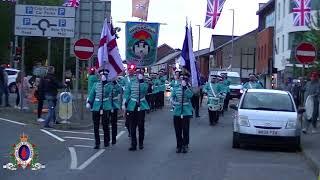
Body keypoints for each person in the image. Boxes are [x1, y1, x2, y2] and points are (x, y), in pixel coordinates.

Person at [123, 68, 150, 151]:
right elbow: (127, 92)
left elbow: (145, 91)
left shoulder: (145, 82)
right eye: (138, 72)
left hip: (141, 105)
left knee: (141, 125)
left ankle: (141, 143)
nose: (139, 74)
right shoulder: (131, 81)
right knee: (132, 125)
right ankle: (133, 144)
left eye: (141, 73)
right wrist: (125, 103)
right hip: (132, 105)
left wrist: (141, 81)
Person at [87, 69, 111, 149]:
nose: (103, 76)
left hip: (105, 106)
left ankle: (106, 141)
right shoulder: (96, 85)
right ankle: (97, 143)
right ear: (99, 76)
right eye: (101, 75)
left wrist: (105, 83)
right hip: (96, 106)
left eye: (104, 75)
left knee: (105, 125)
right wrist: (89, 102)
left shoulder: (109, 85)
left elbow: (108, 92)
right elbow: (92, 94)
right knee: (96, 126)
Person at [170, 72, 193, 153]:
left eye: (184, 78)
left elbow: (190, 96)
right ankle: (179, 145)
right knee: (178, 130)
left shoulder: (189, 88)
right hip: (177, 110)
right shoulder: (176, 87)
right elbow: (172, 96)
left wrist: (185, 88)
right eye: (181, 78)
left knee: (185, 129)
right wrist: (174, 102)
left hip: (186, 110)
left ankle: (185, 144)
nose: (182, 80)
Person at [106, 79, 122, 145]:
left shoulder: (116, 85)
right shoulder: (106, 84)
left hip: (114, 106)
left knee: (114, 123)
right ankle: (107, 138)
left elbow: (120, 90)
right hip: (107, 105)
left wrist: (115, 82)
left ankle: (114, 138)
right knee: (106, 123)